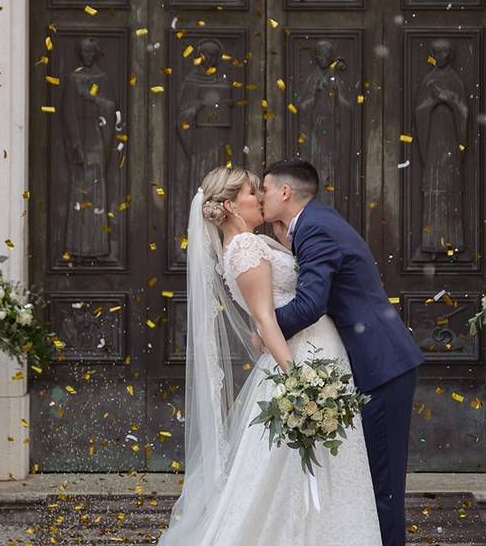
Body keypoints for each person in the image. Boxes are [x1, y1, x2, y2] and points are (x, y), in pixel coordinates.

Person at [158, 166, 382, 546]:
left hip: (314, 350)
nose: (259, 198)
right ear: (229, 205)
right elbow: (264, 318)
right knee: (297, 466)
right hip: (301, 356)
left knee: (305, 466)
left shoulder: (249, 242)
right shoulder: (244, 246)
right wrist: (296, 380)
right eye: (251, 193)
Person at [261, 158, 425, 546]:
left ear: (285, 192)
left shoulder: (315, 228)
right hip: (376, 359)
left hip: (381, 363)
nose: (263, 197)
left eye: (265, 189)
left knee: (382, 485)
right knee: (373, 480)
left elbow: (311, 304)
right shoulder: (316, 221)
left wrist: (264, 329)